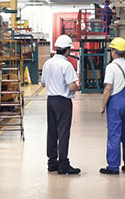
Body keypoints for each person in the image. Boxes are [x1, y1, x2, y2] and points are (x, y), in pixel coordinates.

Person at [41, 35, 82, 175]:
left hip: (51, 100)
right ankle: (63, 164)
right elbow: (71, 86)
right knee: (63, 132)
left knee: (51, 131)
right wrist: (78, 87)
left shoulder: (48, 63)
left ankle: (52, 162)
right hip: (63, 102)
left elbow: (43, 83)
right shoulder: (66, 65)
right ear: (68, 50)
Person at [99, 37, 125, 175]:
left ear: (114, 51)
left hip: (115, 103)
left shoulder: (111, 67)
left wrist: (103, 105)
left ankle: (113, 167)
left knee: (114, 135)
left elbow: (108, 88)